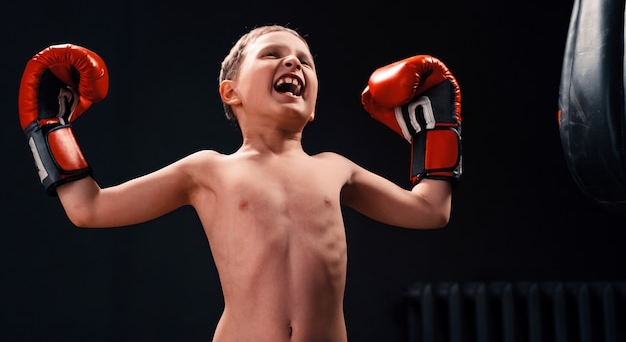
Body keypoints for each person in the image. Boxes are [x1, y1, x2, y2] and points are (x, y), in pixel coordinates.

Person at [18, 25, 462, 342]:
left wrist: (435, 125)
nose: (293, 61)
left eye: (305, 61)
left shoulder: (335, 168)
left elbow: (429, 211)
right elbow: (89, 208)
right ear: (231, 92)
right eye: (272, 54)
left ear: (313, 106)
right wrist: (50, 127)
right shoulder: (208, 170)